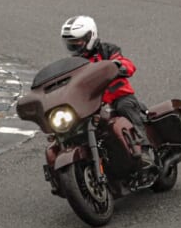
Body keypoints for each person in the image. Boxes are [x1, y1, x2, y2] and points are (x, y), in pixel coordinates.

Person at [60, 15, 155, 166]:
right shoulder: (72, 64)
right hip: (93, 104)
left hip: (119, 97)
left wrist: (119, 66)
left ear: (90, 36)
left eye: (77, 41)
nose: (75, 46)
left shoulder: (107, 50)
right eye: (71, 43)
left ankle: (144, 150)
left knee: (125, 107)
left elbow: (126, 62)